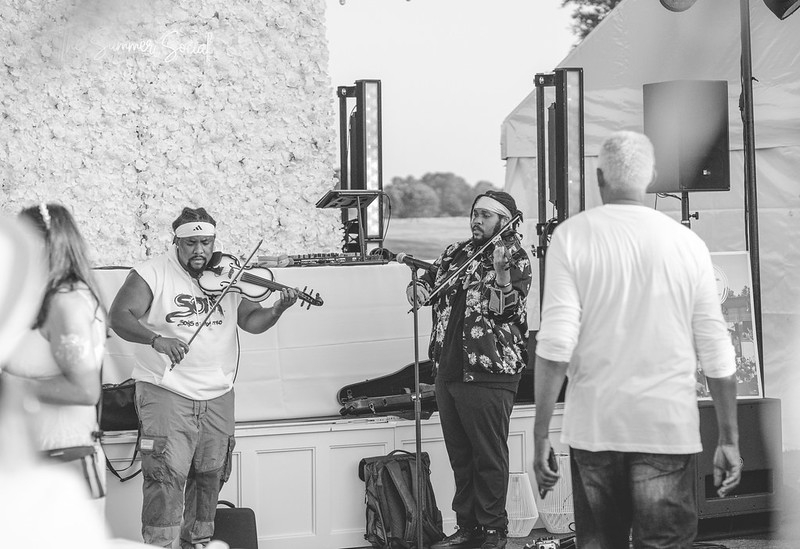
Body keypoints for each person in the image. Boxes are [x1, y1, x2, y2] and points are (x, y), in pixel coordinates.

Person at [533, 131, 741, 548]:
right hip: (666, 426)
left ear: (599, 177)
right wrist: (729, 439)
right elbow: (717, 350)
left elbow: (555, 346)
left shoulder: (572, 237)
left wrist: (540, 436)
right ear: (651, 176)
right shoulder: (687, 243)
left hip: (595, 427)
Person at [108, 206, 298, 549]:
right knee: (164, 475)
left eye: (206, 243)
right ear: (176, 242)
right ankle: (160, 545)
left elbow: (251, 321)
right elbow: (119, 316)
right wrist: (156, 340)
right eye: (191, 243)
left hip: (218, 392)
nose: (200, 251)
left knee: (210, 475)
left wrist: (276, 310)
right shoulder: (151, 273)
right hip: (166, 389)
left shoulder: (229, 274)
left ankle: (197, 542)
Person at [406, 191, 532, 549]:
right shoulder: (455, 253)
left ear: (505, 221)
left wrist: (501, 276)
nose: (476, 220)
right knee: (461, 456)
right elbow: (430, 281)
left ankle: (494, 530)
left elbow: (507, 312)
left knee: (488, 455)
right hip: (448, 367)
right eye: (474, 213)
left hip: (490, 369)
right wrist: (416, 288)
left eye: (485, 216)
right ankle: (468, 526)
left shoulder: (514, 257)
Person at [4, 203, 109, 507]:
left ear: (48, 243)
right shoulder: (47, 297)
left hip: (64, 461)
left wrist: (10, 386)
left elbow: (86, 390)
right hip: (35, 457)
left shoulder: (67, 303)